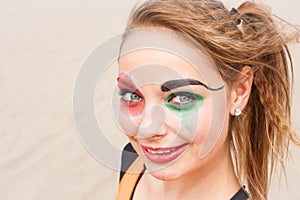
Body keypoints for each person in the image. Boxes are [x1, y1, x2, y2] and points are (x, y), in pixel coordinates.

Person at [115, 0, 300, 199]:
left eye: (181, 98)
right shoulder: (133, 163)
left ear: (239, 91)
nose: (147, 129)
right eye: (132, 96)